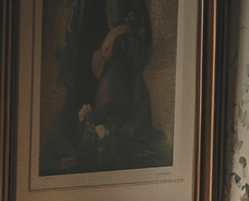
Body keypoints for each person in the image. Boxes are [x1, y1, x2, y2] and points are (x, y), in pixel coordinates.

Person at [39, 0, 172, 177]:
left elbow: (137, 21)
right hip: (92, 36)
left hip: (118, 45)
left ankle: (110, 132)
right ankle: (93, 133)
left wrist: (118, 32)